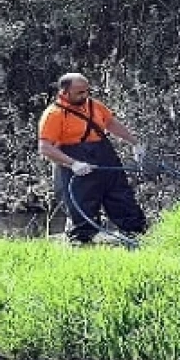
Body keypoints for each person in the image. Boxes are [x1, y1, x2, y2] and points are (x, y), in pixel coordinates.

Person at [37, 73, 148, 244]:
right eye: (80, 93)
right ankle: (82, 242)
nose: (85, 96)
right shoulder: (54, 114)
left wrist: (134, 142)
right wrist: (73, 164)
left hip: (105, 157)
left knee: (122, 197)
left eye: (87, 91)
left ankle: (136, 235)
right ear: (64, 92)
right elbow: (45, 148)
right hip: (75, 161)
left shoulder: (94, 106)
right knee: (83, 206)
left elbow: (110, 123)